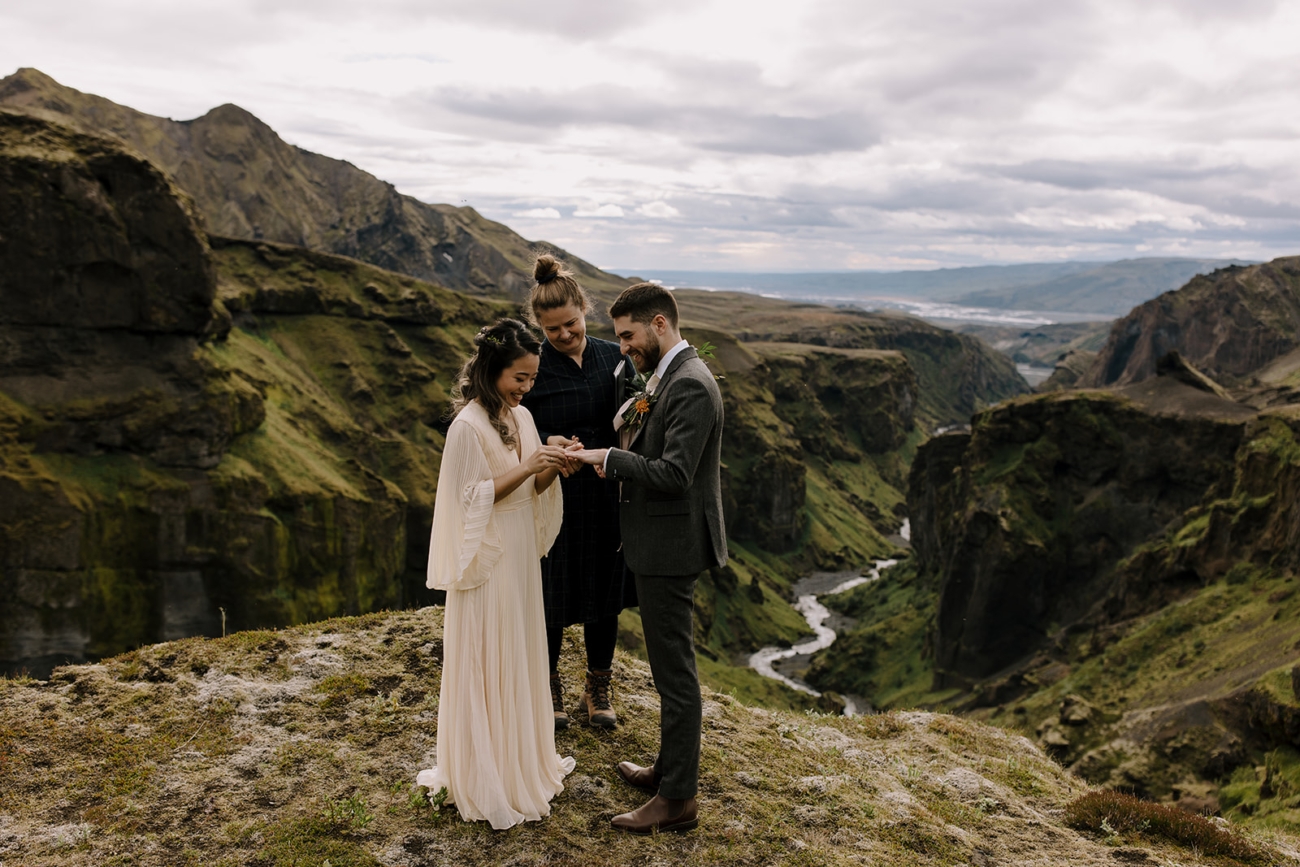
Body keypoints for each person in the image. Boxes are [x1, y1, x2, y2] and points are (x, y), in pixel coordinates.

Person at [568, 283, 727, 835]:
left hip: (671, 548)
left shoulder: (692, 387)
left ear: (659, 325)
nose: (624, 348)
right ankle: (668, 770)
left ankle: (678, 800)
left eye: (629, 336)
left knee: (675, 678)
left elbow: (676, 475)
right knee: (666, 673)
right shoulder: (668, 378)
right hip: (659, 544)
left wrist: (610, 459)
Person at [416, 318, 577, 830]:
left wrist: (553, 462)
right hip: (488, 558)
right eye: (518, 378)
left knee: (520, 652)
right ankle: (486, 772)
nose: (526, 388)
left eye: (531, 379)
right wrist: (530, 468)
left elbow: (530, 484)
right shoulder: (467, 426)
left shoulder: (521, 417)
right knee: (489, 656)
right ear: (490, 371)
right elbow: (470, 498)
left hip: (519, 554)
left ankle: (520, 763)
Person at [521, 254, 637, 731]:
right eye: (552, 330)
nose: (564, 335)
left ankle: (598, 684)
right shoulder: (536, 367)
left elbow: (634, 418)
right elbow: (519, 423)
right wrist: (548, 442)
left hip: (607, 493)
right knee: (551, 591)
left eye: (570, 324)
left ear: (584, 310)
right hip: (556, 496)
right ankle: (549, 687)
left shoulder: (615, 357)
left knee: (604, 592)